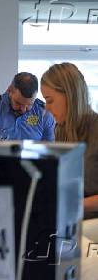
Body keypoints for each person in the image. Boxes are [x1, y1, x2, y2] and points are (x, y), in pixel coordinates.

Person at [41, 62, 98, 219]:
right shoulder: (62, 132)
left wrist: (75, 205)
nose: (46, 108)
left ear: (70, 95)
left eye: (50, 100)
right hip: (70, 220)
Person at [0, 72, 55, 141]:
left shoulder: (44, 114)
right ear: (10, 91)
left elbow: (49, 152)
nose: (23, 110)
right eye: (18, 103)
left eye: (29, 105)